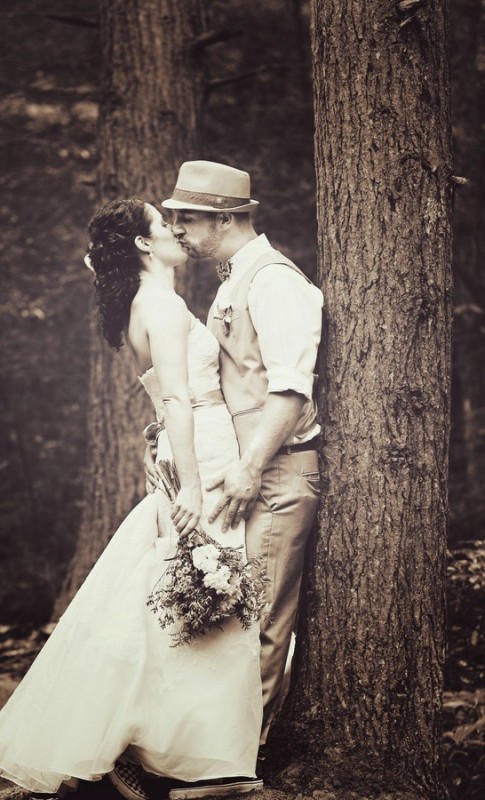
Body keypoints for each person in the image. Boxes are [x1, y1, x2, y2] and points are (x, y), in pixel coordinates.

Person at [0, 199, 264, 800]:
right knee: (209, 588)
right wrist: (185, 479)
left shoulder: (140, 306)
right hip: (199, 452)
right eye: (165, 227)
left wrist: (163, 451)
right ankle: (195, 758)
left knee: (170, 592)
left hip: (181, 447)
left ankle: (147, 743)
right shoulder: (165, 306)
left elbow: (160, 400)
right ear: (144, 245)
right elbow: (179, 401)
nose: (178, 233)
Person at [162, 161, 323, 774]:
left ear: (225, 219)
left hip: (277, 473)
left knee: (260, 620)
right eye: (173, 217)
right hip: (245, 474)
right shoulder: (235, 277)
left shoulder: (275, 282)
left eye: (188, 218)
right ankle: (205, 751)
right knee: (225, 613)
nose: (177, 229)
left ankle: (234, 766)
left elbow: (290, 389)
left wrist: (251, 467)